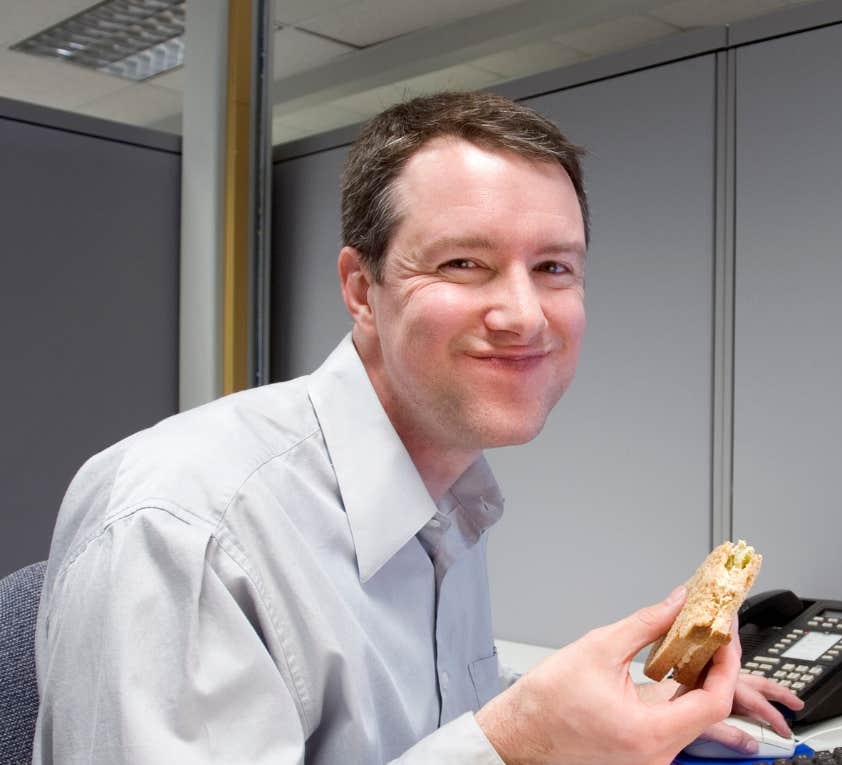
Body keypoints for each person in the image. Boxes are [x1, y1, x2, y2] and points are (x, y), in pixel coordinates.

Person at [33, 91, 801, 764]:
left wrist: (613, 708)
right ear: (361, 289)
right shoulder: (185, 528)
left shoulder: (447, 495)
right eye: (464, 263)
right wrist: (516, 743)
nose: (524, 315)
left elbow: (406, 718)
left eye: (554, 268)